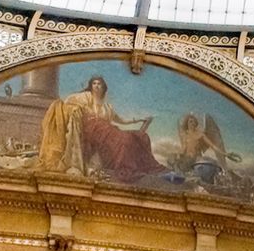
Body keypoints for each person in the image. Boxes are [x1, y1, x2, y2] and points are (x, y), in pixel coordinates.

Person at [37, 76, 166, 180]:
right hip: (93, 132)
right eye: (94, 83)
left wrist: (138, 120)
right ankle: (126, 168)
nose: (97, 86)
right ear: (90, 86)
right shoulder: (86, 97)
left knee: (139, 136)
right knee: (123, 139)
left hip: (108, 131)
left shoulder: (107, 107)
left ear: (104, 87)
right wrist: (74, 110)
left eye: (99, 83)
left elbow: (121, 120)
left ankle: (142, 166)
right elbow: (68, 101)